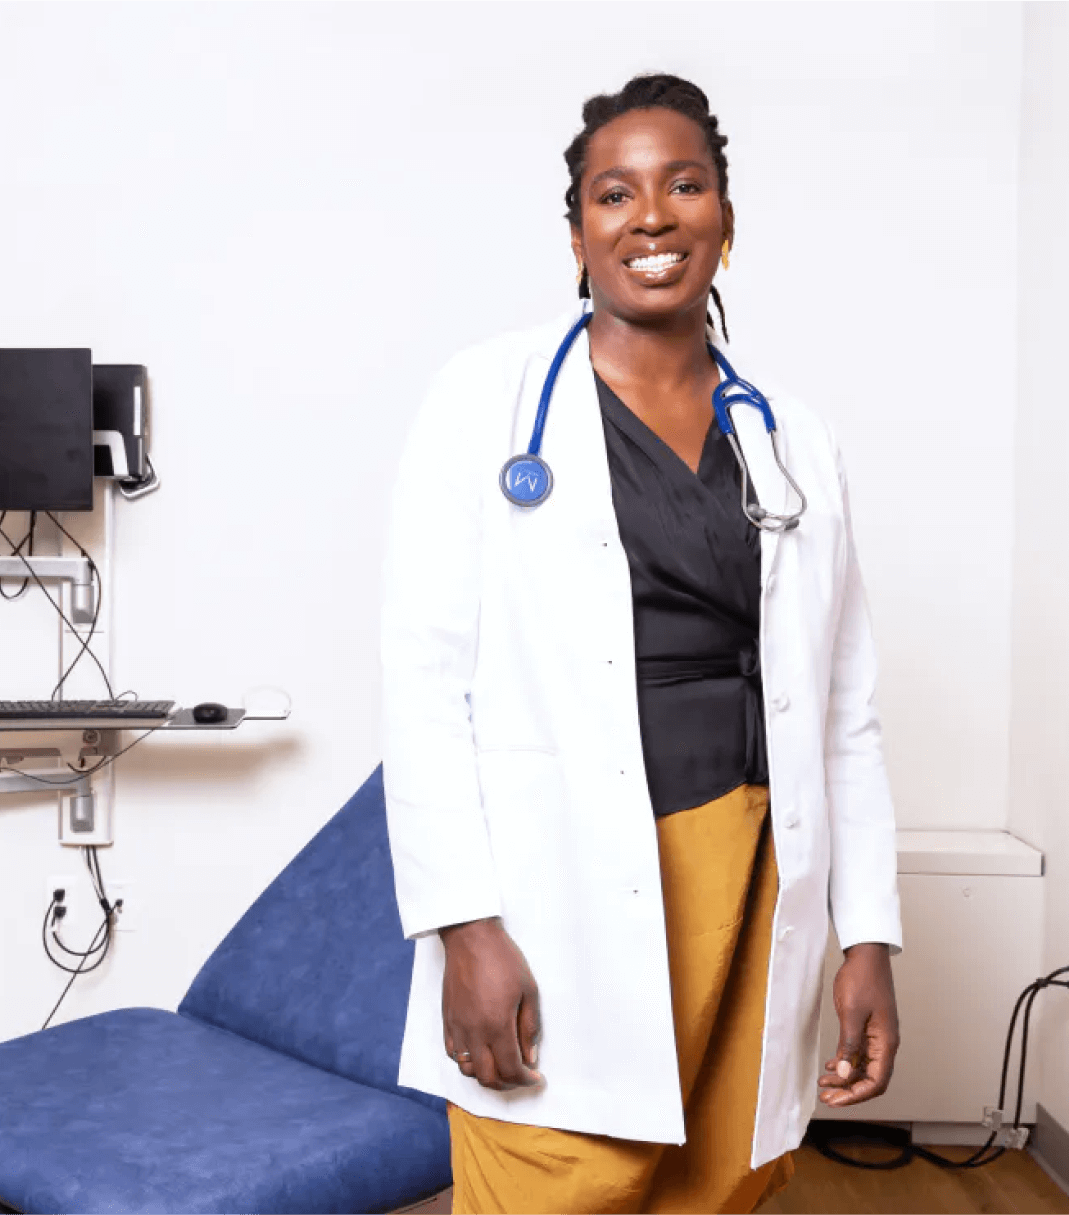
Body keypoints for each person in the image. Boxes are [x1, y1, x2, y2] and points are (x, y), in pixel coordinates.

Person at [381, 73, 902, 1215]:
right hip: (568, 884)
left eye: (686, 185)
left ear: (727, 215)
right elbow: (424, 692)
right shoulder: (486, 402)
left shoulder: (795, 439)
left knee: (723, 1184)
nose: (653, 217)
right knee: (559, 1185)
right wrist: (464, 928)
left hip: (761, 878)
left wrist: (866, 936)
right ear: (578, 232)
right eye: (616, 194)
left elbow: (844, 713)